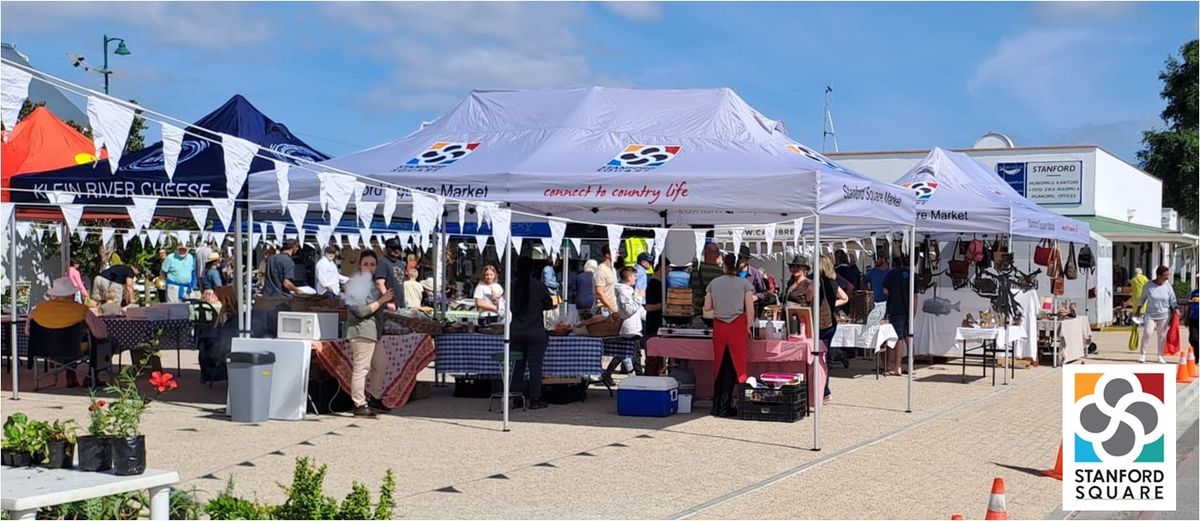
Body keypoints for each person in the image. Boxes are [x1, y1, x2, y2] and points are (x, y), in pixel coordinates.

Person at [26, 277, 110, 388]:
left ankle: (70, 374)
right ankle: (92, 376)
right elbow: (100, 334)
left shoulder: (37, 310)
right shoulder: (82, 310)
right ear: (72, 295)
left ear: (54, 295)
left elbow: (28, 332)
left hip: (45, 348)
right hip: (75, 348)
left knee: (68, 341)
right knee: (107, 342)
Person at [341, 250, 394, 417]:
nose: (369, 268)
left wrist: (386, 301)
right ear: (360, 265)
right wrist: (382, 301)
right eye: (366, 264)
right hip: (361, 330)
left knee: (381, 364)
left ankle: (374, 396)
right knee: (361, 368)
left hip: (373, 332)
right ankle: (359, 403)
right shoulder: (355, 284)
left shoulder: (373, 285)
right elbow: (361, 311)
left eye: (372, 265)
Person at [704, 253, 755, 417]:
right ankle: (728, 405)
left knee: (720, 365)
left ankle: (717, 404)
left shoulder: (713, 283)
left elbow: (706, 310)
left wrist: (719, 313)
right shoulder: (744, 284)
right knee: (736, 365)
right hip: (738, 325)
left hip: (719, 326)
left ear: (724, 266)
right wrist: (748, 327)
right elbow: (750, 311)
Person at [510, 255, 555, 409]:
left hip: (516, 330)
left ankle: (516, 397)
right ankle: (535, 399)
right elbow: (549, 304)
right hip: (535, 330)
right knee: (535, 366)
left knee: (517, 366)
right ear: (532, 269)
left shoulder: (513, 286)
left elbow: (510, 307)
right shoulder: (538, 286)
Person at [603, 266, 646, 385]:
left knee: (623, 353)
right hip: (629, 328)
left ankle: (607, 373)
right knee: (634, 354)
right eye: (634, 276)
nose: (636, 279)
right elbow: (628, 310)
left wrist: (649, 316)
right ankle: (639, 379)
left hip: (634, 327)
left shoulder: (629, 290)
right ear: (628, 277)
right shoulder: (623, 291)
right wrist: (639, 298)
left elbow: (638, 310)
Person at [816, 255, 849, 403]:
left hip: (821, 323)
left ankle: (823, 390)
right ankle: (825, 390)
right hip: (830, 322)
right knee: (825, 357)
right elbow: (845, 297)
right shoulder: (833, 282)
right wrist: (832, 305)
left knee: (819, 356)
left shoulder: (816, 281)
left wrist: (827, 305)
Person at [1135, 266, 1179, 364]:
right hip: (1150, 314)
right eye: (1165, 275)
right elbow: (1142, 298)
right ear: (1158, 275)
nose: (1167, 277)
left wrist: (1176, 308)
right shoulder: (1148, 285)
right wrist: (1138, 310)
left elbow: (1173, 299)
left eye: (1168, 275)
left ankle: (1160, 356)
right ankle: (1142, 354)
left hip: (1164, 314)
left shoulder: (1168, 286)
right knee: (1147, 333)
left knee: (1162, 335)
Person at [882, 256, 911, 376]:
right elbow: (915, 294)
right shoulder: (910, 274)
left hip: (896, 308)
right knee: (908, 337)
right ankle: (910, 363)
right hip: (907, 308)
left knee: (898, 338)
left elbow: (885, 290)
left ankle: (897, 366)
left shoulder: (892, 274)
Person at [691, 242, 725, 319]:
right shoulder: (721, 273)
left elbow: (690, 291)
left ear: (705, 253)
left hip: (696, 313)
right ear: (717, 255)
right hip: (714, 314)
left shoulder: (694, 271)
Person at [375, 238, 407, 311]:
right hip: (387, 305)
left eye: (399, 248)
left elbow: (400, 284)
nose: (397, 250)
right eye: (393, 248)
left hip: (400, 304)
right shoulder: (382, 261)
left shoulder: (401, 264)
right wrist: (388, 301)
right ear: (387, 248)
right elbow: (379, 283)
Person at [593, 245, 619, 317]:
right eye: (615, 253)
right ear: (607, 255)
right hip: (604, 310)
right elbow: (599, 293)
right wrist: (612, 309)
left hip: (614, 308)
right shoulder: (601, 270)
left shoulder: (613, 269)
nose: (618, 255)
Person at [1188, 276, 1198, 354]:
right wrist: (1186, 317)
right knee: (1193, 338)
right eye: (1198, 280)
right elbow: (1189, 306)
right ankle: (1197, 353)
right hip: (1194, 318)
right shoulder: (1194, 293)